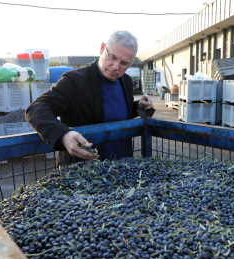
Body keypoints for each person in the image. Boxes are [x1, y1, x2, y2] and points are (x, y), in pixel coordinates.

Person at [25, 30, 154, 166]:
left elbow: (114, 111)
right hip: (84, 170)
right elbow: (36, 108)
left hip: (121, 164)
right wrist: (63, 135)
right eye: (112, 57)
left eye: (124, 63)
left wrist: (136, 106)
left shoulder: (126, 81)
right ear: (102, 48)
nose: (116, 67)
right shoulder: (75, 81)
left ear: (131, 63)